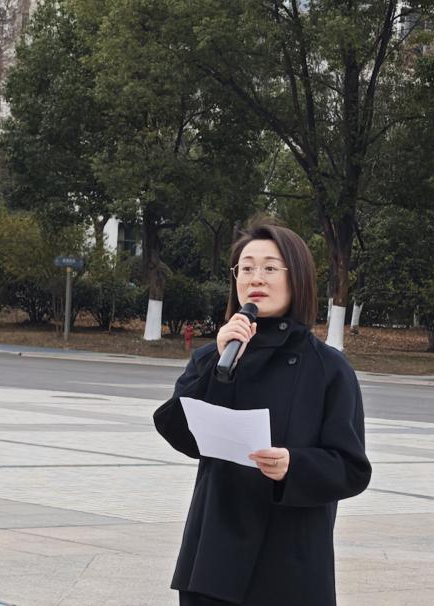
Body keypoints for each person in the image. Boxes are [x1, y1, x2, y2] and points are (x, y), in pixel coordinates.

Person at [153, 220, 371, 606]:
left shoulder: (329, 368)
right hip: (214, 558)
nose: (256, 278)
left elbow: (351, 468)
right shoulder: (215, 355)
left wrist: (293, 465)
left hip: (289, 563)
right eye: (246, 268)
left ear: (296, 277)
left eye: (270, 267)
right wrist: (216, 365)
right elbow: (179, 430)